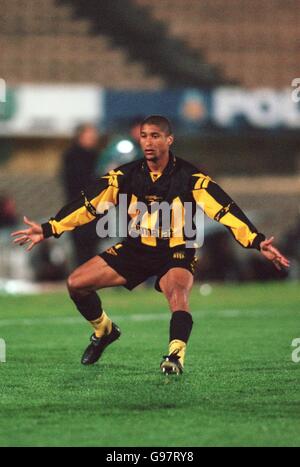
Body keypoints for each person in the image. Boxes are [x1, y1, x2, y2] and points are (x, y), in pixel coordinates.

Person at [11, 115, 290, 375]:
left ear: (169, 140)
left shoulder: (190, 178)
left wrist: (255, 241)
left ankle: (175, 356)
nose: (148, 141)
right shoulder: (126, 175)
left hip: (176, 250)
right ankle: (105, 330)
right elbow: (89, 204)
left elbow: (225, 210)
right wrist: (49, 228)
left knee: (177, 295)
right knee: (76, 283)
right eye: (144, 136)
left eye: (155, 135)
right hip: (136, 248)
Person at [61, 124, 100, 266]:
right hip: (79, 209)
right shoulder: (72, 156)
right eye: (90, 135)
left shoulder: (96, 155)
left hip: (95, 210)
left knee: (92, 249)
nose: (93, 138)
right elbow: (77, 182)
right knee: (81, 250)